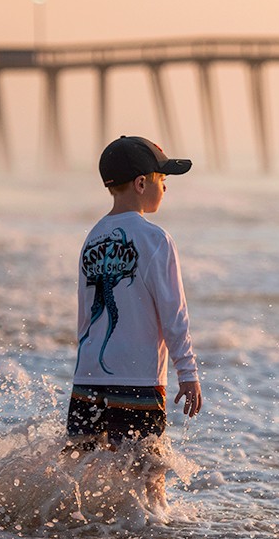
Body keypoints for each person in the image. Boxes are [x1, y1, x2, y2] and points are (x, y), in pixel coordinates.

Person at [66, 136, 203, 482]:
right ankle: (153, 534)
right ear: (142, 183)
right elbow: (174, 315)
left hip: (88, 380)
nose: (165, 189)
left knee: (82, 479)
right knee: (148, 481)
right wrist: (187, 373)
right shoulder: (156, 239)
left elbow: (85, 317)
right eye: (162, 180)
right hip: (137, 382)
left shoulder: (93, 237)